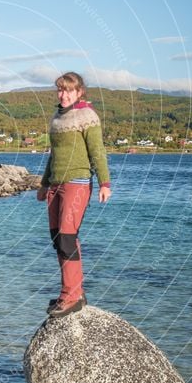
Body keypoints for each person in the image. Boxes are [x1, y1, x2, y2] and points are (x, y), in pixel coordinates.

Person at [36, 72, 111, 318]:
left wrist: (104, 183)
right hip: (56, 185)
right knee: (57, 240)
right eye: (60, 90)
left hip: (77, 183)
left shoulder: (87, 116)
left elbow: (97, 151)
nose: (63, 94)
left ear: (79, 92)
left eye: (69, 90)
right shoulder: (56, 118)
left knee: (67, 238)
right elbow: (53, 156)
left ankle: (72, 295)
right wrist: (44, 184)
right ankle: (71, 291)